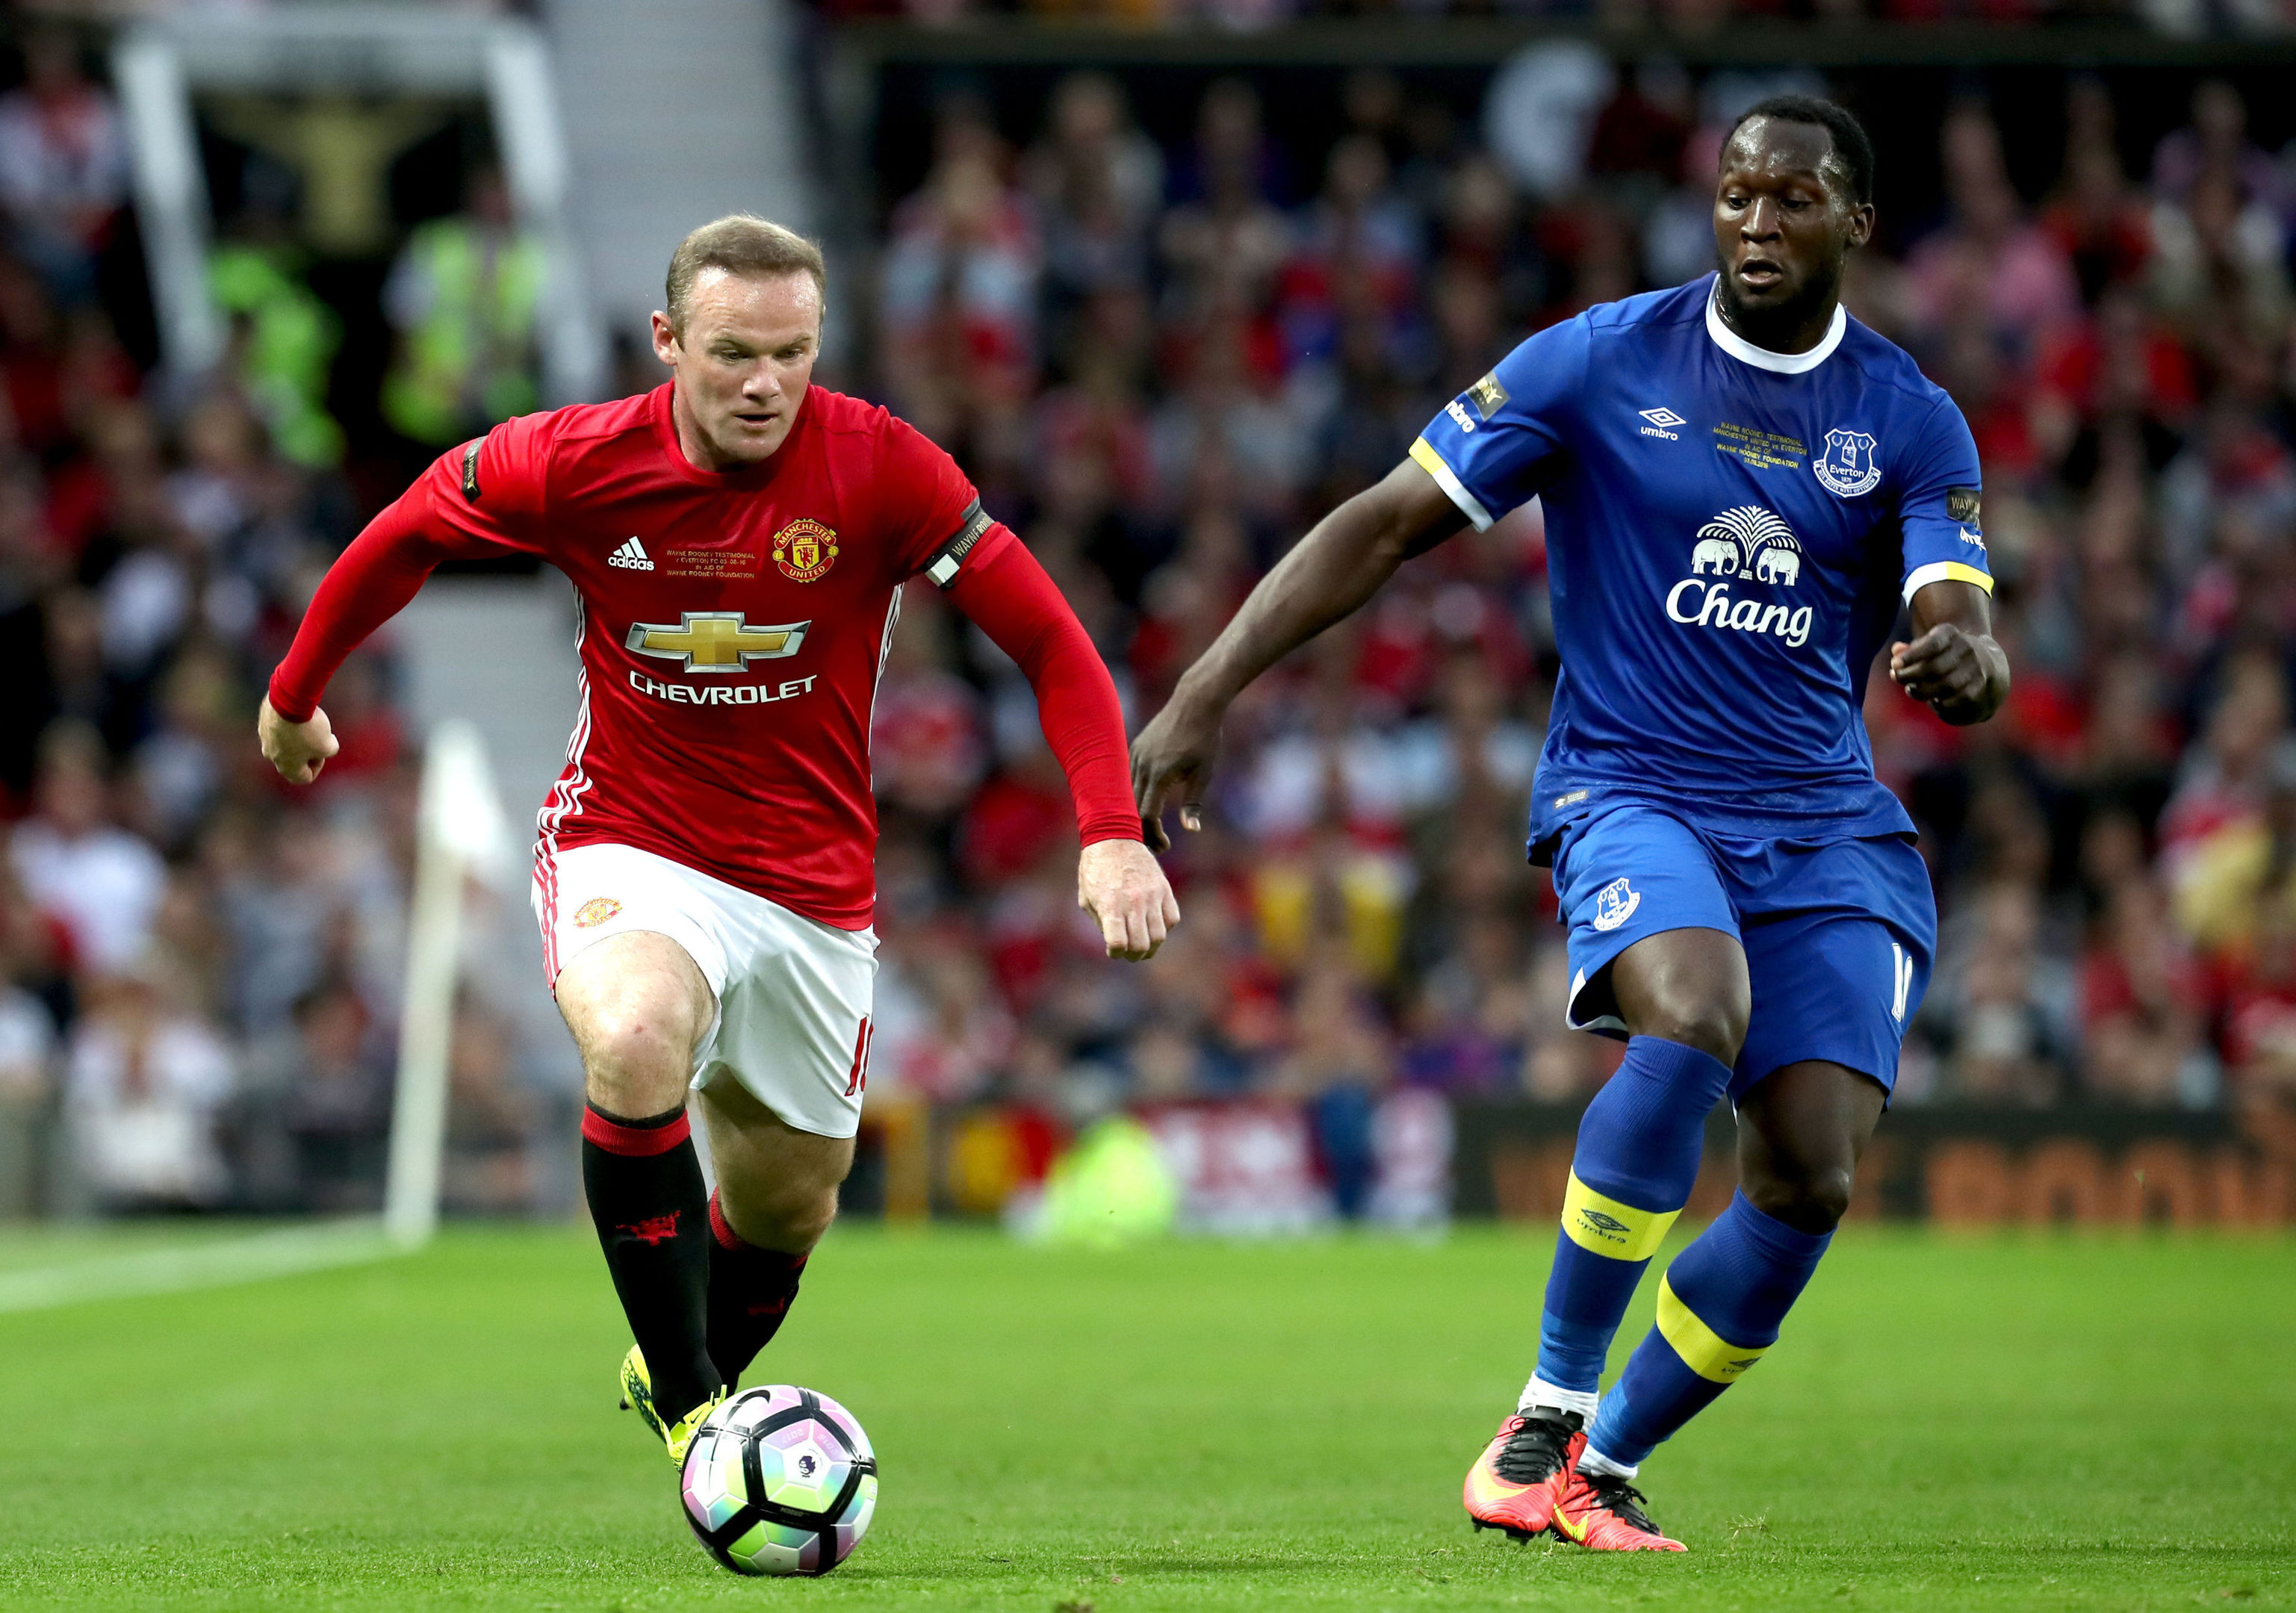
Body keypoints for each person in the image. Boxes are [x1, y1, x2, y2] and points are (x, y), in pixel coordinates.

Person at [1132, 97, 2007, 1551]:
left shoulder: (1907, 415)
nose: (1755, 222)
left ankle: (1598, 1462)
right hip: (1633, 787)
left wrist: (1963, 660)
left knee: (1808, 1171)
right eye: (1735, 194)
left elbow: (1952, 610)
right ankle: (1539, 1412)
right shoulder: (1599, 361)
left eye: (1791, 199)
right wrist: (1209, 686)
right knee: (1692, 1011)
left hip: (1823, 823)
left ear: (1853, 222)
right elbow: (1382, 521)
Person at [258, 216, 1179, 1473]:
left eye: (793, 353)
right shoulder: (572, 461)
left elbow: (1051, 641)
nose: (765, 383)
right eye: (734, 351)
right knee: (634, 1039)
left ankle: (685, 1373)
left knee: (789, 1202)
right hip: (629, 840)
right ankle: (703, 1415)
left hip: (811, 889)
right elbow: (410, 529)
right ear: (667, 342)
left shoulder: (885, 468)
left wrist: (1111, 835)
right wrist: (297, 689)